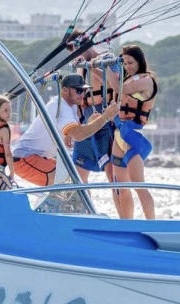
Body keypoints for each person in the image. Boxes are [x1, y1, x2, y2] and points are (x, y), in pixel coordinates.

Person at [12, 73, 119, 186]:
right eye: (78, 90)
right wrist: (105, 117)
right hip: (24, 158)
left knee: (76, 180)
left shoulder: (69, 105)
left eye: (84, 91)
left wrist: (89, 123)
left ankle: (71, 203)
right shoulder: (62, 107)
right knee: (68, 185)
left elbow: (76, 131)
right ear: (65, 90)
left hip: (38, 157)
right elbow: (79, 135)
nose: (82, 94)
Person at [104, 45, 157, 219]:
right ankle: (127, 224)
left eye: (131, 62)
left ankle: (153, 225)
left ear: (140, 61)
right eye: (124, 63)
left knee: (138, 186)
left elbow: (120, 89)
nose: (128, 66)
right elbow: (108, 82)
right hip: (120, 134)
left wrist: (106, 66)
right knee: (121, 187)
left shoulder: (147, 81)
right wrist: (92, 64)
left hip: (134, 136)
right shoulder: (126, 79)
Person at [65, 30, 121, 187]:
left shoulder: (107, 59)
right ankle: (83, 211)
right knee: (77, 174)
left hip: (105, 122)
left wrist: (90, 67)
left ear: (87, 46)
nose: (76, 55)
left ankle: (122, 212)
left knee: (112, 174)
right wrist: (71, 128)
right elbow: (76, 101)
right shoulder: (79, 65)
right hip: (86, 124)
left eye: (77, 51)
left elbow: (115, 85)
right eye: (73, 53)